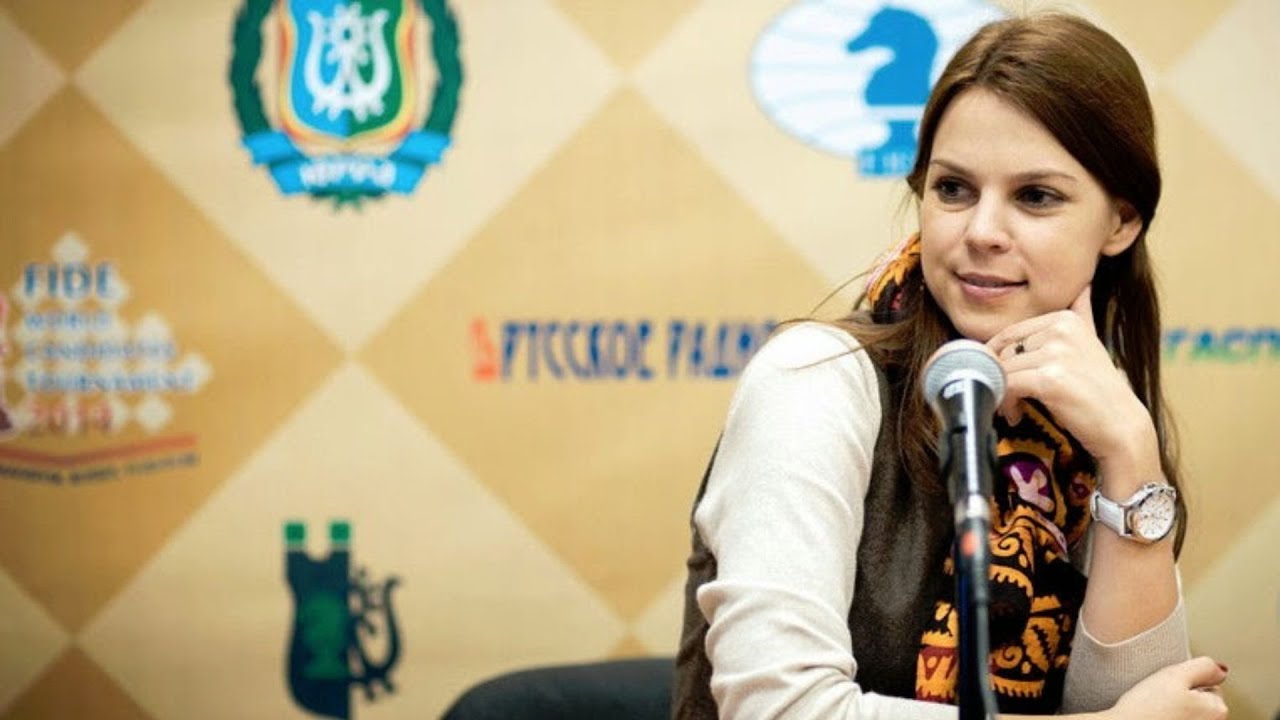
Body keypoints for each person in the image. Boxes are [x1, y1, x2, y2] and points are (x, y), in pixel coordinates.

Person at [673, 12, 1229, 720]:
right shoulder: (813, 379)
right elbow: (779, 709)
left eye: (1035, 196)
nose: (982, 232)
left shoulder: (1089, 417)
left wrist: (1130, 453)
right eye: (954, 189)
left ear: (1120, 221)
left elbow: (1141, 702)